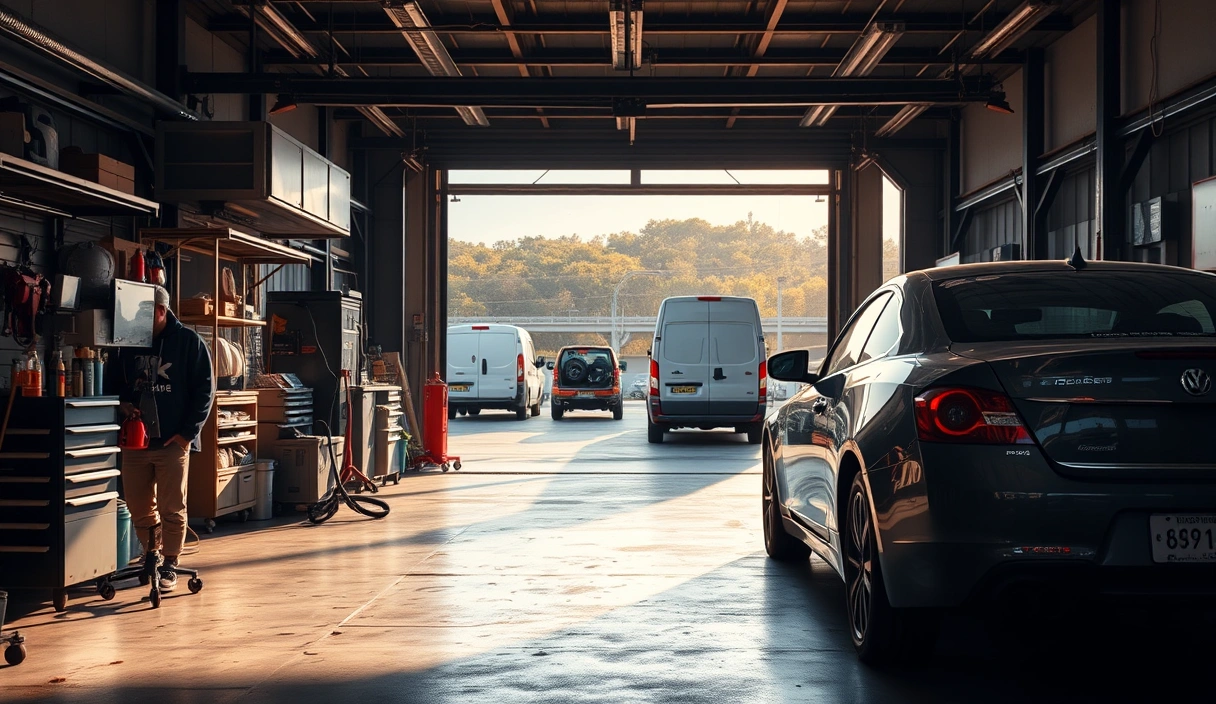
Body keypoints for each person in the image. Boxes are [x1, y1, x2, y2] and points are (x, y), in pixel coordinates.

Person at [106, 285, 213, 592]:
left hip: (172, 441)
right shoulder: (128, 344)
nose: (138, 320)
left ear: (161, 311)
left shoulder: (190, 344)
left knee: (172, 506)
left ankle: (169, 563)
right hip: (136, 442)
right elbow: (115, 384)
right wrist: (123, 404)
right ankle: (150, 554)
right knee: (139, 505)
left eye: (145, 313)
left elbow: (205, 392)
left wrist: (186, 435)